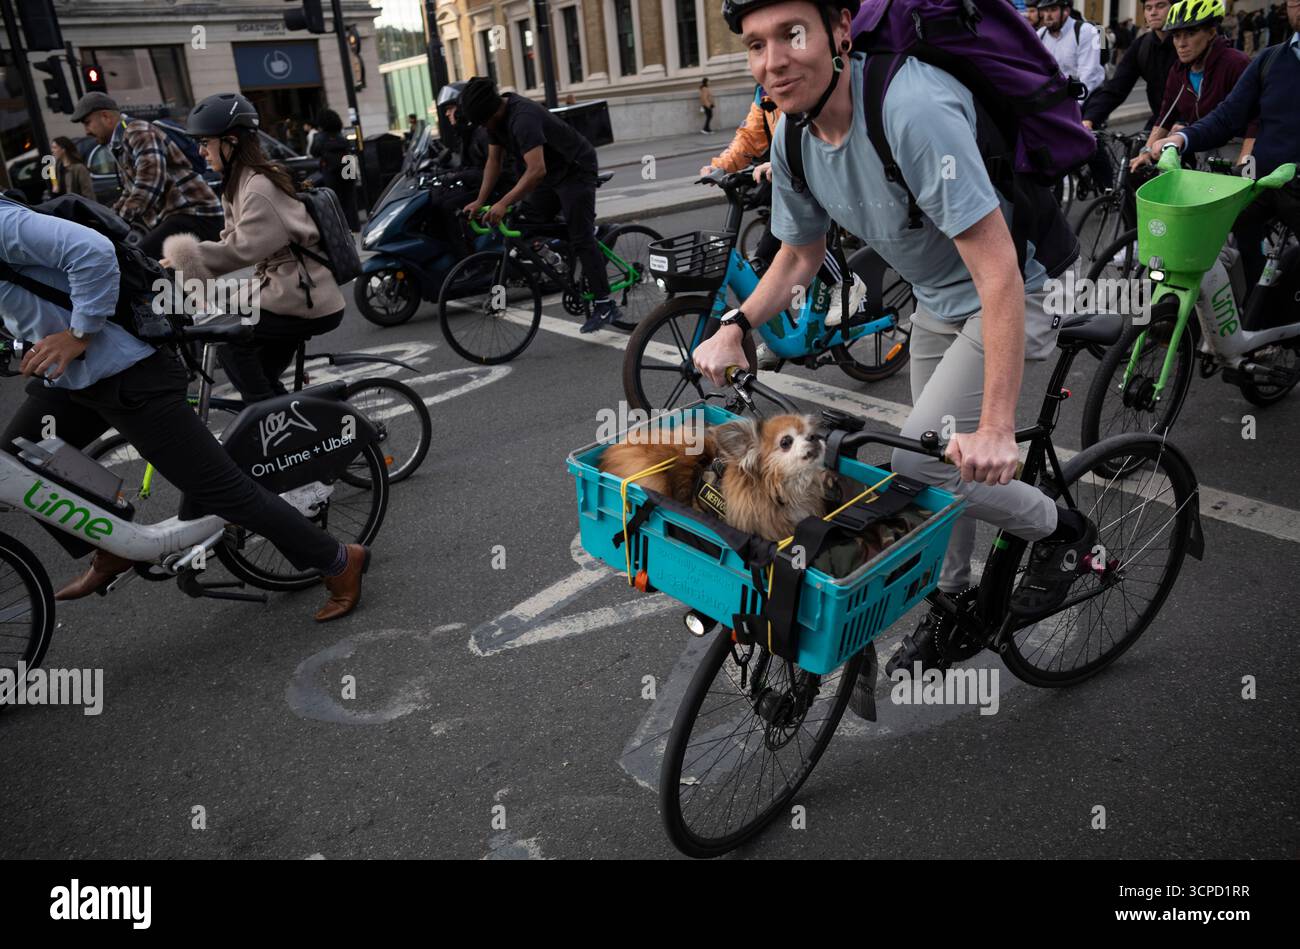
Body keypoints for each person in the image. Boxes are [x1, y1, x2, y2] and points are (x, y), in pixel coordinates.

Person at [696, 0, 1097, 676]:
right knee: (933, 462)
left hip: (1017, 287)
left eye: (793, 34)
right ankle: (953, 600)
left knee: (921, 465)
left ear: (841, 32)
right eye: (755, 45)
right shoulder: (792, 133)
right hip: (942, 298)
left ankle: (1065, 535)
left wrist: (998, 425)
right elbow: (797, 254)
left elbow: (999, 274)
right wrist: (739, 325)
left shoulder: (911, 110)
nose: (773, 60)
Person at [0, 198, 370, 620]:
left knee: (223, 491)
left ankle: (339, 560)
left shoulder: (3, 223)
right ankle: (110, 544)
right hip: (75, 380)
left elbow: (93, 252)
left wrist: (78, 334)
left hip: (130, 373)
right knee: (21, 455)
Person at [158, 93, 347, 405]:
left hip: (302, 296)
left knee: (229, 341)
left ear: (231, 142)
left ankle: (266, 418)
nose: (201, 151)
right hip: (288, 288)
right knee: (258, 370)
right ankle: (289, 427)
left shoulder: (258, 187)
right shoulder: (239, 182)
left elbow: (240, 249)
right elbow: (231, 241)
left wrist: (185, 257)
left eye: (206, 142)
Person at [697, 83, 869, 368]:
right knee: (763, 261)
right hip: (790, 177)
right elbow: (750, 137)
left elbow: (821, 132)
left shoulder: (805, 82)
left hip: (816, 173)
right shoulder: (762, 91)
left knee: (803, 242)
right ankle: (781, 333)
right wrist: (721, 165)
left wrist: (785, 163)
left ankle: (846, 283)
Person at [1150, 0, 1300, 287]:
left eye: (1189, 34)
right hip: (1264, 183)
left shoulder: (1233, 61)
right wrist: (1181, 139)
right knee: (1203, 237)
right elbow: (1226, 116)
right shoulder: (1270, 60)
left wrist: (1244, 153)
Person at [458, 76, 625, 333]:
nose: (483, 127)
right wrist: (480, 200)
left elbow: (536, 170)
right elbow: (494, 162)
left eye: (483, 122)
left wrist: (502, 203)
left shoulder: (523, 118)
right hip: (550, 174)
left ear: (492, 110)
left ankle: (605, 303)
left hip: (575, 169)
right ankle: (567, 250)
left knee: (579, 236)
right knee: (525, 222)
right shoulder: (494, 121)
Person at [71, 91, 223, 259]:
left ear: (106, 116)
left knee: (138, 263)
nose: (86, 131)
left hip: (195, 215)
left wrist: (116, 222)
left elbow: (149, 182)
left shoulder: (137, 130)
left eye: (87, 123)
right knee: (155, 269)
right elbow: (131, 190)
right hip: (178, 218)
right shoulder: (120, 142)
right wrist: (106, 219)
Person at [1131, 0, 1256, 174]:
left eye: (1190, 33)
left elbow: (1255, 118)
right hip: (1202, 151)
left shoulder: (1235, 63)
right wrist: (1146, 151)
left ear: (1212, 32)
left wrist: (1245, 164)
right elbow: (1166, 115)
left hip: (1237, 150)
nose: (1181, 43)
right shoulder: (1178, 70)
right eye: (1176, 35)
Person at [1083, 0, 1179, 130]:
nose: (1153, 12)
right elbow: (1116, 87)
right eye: (1148, 8)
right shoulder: (1142, 46)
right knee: (1138, 149)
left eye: (1160, 6)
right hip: (1159, 121)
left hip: (1191, 123)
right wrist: (1090, 118)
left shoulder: (1188, 44)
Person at [310, 109, 360, 232]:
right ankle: (354, 225)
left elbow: (314, 152)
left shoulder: (320, 137)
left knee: (335, 199)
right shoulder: (341, 136)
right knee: (350, 198)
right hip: (348, 165)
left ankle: (341, 227)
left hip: (331, 169)